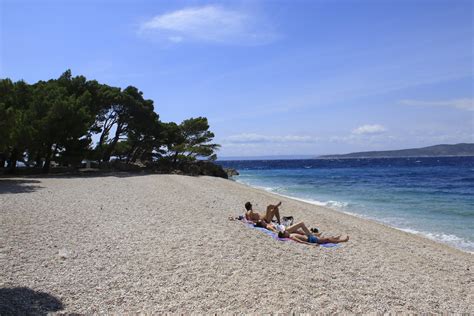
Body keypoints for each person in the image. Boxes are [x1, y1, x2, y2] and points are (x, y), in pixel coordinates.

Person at [278, 221, 349, 245]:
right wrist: (311, 244)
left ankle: (336, 238)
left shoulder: (290, 235)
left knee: (324, 239)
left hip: (310, 238)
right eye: (285, 232)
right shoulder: (291, 237)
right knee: (327, 239)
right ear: (284, 235)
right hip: (311, 240)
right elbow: (300, 242)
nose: (286, 231)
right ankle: (342, 240)